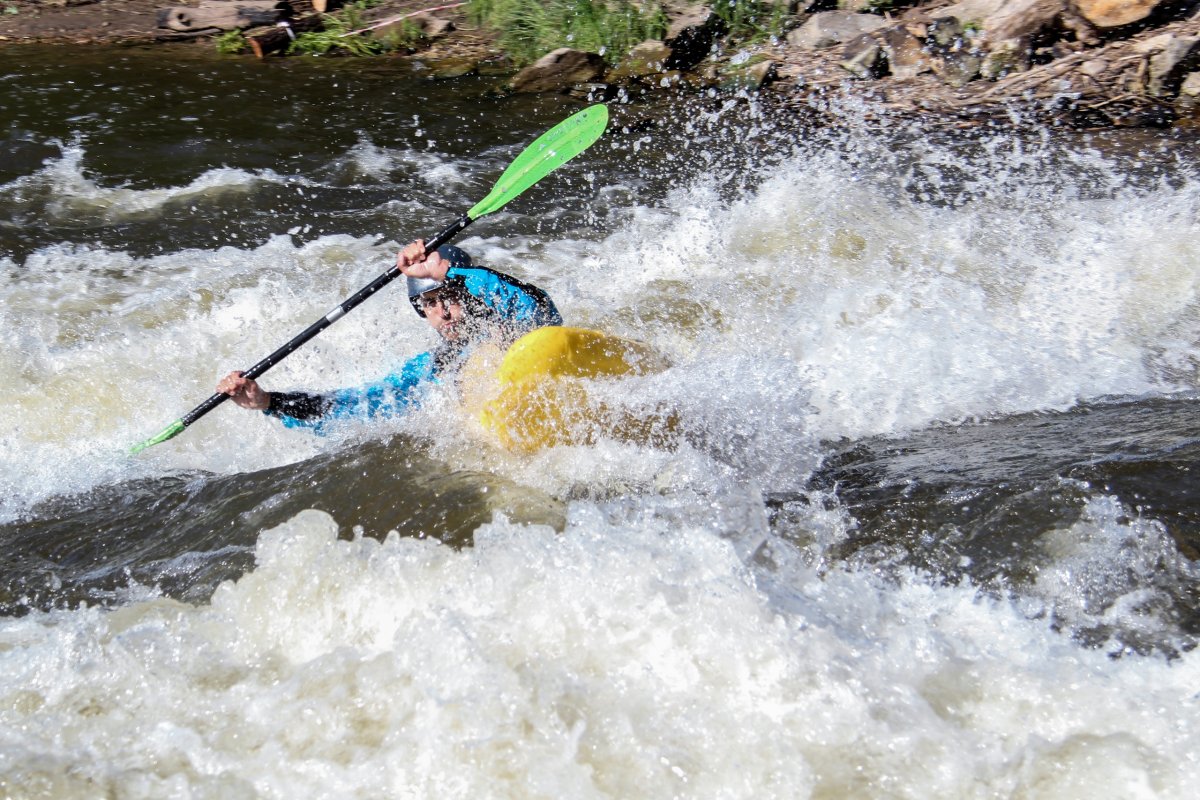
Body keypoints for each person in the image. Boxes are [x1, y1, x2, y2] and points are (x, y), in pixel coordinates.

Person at [216, 239, 562, 433]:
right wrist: (270, 402)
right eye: (429, 303)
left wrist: (452, 274)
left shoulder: (509, 327)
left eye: (451, 298)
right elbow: (357, 406)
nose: (442, 312)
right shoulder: (434, 368)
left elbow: (538, 310)